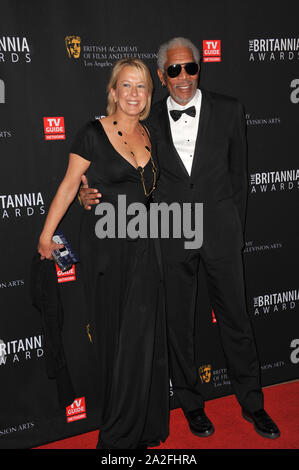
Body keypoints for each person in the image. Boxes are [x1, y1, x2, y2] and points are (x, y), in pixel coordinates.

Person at [80, 38, 280, 441]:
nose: (183, 77)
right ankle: (191, 405)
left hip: (221, 233)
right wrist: (88, 196)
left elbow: (240, 177)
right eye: (173, 70)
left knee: (237, 320)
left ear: (199, 68)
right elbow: (120, 170)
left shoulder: (229, 109)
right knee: (177, 327)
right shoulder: (147, 120)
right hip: (171, 233)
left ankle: (253, 404)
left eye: (190, 67)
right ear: (161, 75)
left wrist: (233, 229)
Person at [37, 58, 169, 449]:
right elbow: (68, 185)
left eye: (141, 87)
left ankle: (141, 425)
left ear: (148, 95)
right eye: (125, 86)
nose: (133, 94)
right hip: (107, 249)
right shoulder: (92, 134)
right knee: (117, 337)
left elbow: (156, 191)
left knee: (141, 337)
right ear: (112, 92)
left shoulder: (151, 133)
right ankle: (119, 436)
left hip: (147, 246)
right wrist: (47, 235)